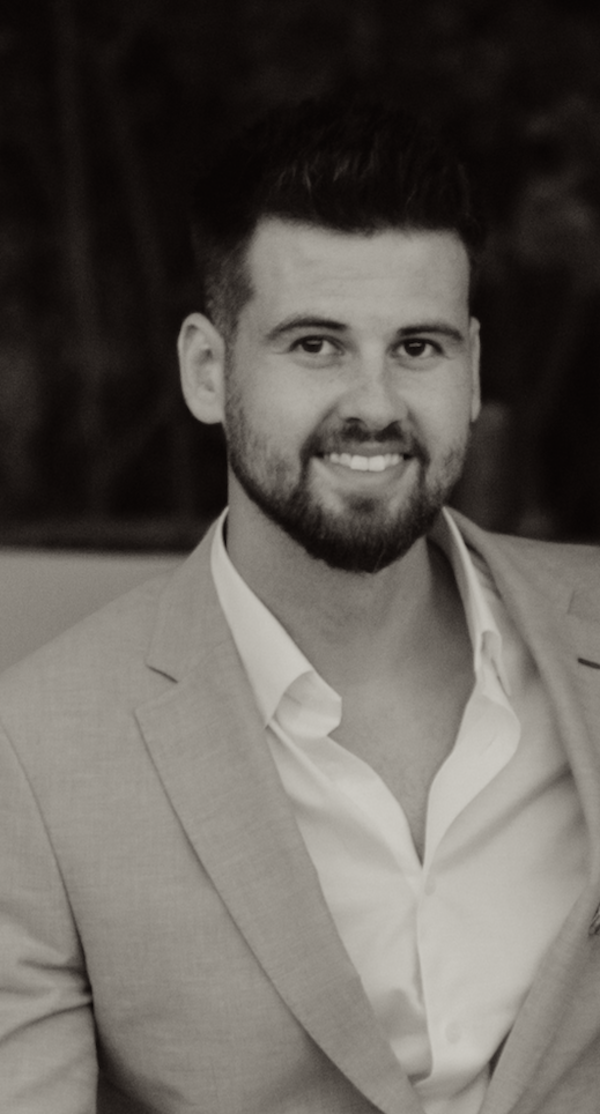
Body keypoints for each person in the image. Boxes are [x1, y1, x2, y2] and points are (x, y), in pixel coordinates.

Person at [0, 94, 599, 1114]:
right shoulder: (39, 749)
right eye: (316, 344)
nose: (374, 401)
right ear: (206, 367)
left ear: (473, 368)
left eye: (418, 346)